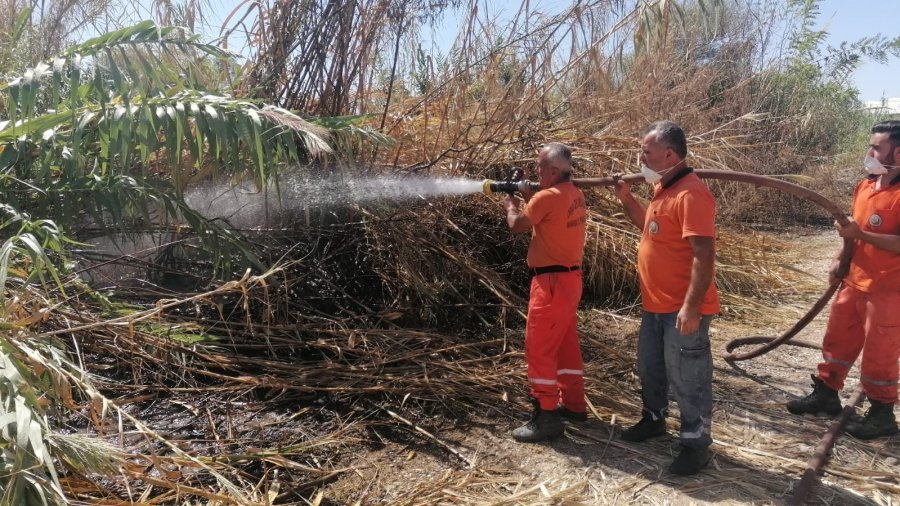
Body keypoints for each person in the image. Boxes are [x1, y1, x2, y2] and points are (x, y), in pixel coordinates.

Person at [612, 120, 719, 476]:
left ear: (669, 155)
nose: (640, 158)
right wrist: (627, 199)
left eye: (646, 152)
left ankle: (695, 444)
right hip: (655, 305)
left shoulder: (691, 194)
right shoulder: (664, 189)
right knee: (651, 367)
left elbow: (704, 255)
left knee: (689, 376)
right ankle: (653, 419)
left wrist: (691, 307)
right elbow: (651, 227)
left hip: (682, 309)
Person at [786, 120, 900, 440]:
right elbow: (852, 234)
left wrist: (861, 234)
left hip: (888, 290)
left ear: (898, 153)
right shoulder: (865, 186)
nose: (870, 153)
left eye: (876, 147)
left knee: (880, 353)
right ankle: (826, 395)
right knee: (837, 341)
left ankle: (881, 414)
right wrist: (840, 258)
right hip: (854, 282)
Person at [502, 142, 588, 443]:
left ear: (553, 170)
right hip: (570, 280)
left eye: (539, 166)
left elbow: (517, 225)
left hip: (549, 284)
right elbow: (547, 217)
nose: (535, 170)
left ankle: (546, 415)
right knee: (564, 345)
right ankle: (574, 405)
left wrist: (510, 203)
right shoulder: (574, 193)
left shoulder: (547, 197)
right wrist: (530, 197)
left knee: (538, 348)